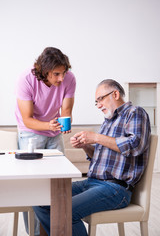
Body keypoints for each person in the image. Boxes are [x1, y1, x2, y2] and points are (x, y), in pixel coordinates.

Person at [33, 79, 151, 236]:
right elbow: (99, 156)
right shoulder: (108, 122)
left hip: (115, 188)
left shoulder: (135, 113)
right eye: (96, 102)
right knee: (40, 199)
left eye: (100, 99)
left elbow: (134, 145)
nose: (98, 105)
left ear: (115, 94)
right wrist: (86, 146)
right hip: (92, 182)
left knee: (65, 211)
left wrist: (95, 138)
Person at [15, 47, 76, 236]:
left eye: (63, 73)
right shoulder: (26, 79)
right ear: (44, 70)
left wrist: (65, 122)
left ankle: (58, 230)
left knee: (61, 180)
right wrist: (48, 126)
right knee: (33, 184)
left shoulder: (69, 78)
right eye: (56, 74)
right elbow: (27, 119)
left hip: (53, 130)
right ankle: (34, 233)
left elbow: (66, 111)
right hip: (30, 132)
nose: (61, 78)